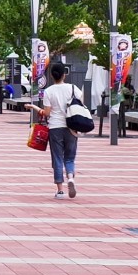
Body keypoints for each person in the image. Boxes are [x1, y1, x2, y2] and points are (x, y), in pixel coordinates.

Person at [34, 61, 86, 200]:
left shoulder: (49, 91)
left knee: (57, 158)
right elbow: (82, 103)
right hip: (72, 127)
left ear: (52, 75)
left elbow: (47, 113)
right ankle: (70, 177)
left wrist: (34, 108)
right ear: (64, 75)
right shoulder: (74, 88)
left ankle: (60, 191)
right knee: (69, 158)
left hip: (55, 128)